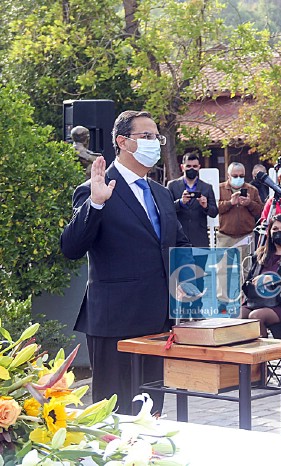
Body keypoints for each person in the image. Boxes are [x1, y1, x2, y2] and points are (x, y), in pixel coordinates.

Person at [60, 110, 191, 414]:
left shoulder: (160, 192)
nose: (154, 143)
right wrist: (96, 204)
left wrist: (197, 281)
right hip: (115, 323)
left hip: (158, 321)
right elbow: (71, 247)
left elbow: (178, 245)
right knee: (115, 416)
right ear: (123, 142)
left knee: (150, 413)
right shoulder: (97, 188)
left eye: (157, 137)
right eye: (146, 137)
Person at [167, 153, 218, 247]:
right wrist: (181, 202)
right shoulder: (172, 186)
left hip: (200, 240)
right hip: (179, 239)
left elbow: (214, 212)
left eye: (194, 166)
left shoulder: (206, 187)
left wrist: (205, 206)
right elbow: (166, 210)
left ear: (199, 167)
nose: (192, 169)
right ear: (182, 167)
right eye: (188, 166)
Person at [217, 162, 263, 249]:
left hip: (246, 236)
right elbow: (215, 209)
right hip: (225, 236)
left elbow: (260, 211)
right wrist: (230, 203)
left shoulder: (252, 190)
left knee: (246, 262)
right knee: (224, 263)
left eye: (242, 176)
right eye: (235, 176)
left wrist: (249, 203)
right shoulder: (219, 189)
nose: (238, 178)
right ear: (228, 176)